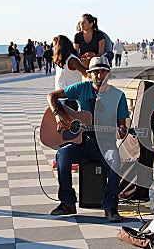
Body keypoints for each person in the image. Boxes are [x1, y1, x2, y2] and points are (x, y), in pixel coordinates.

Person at [47, 56, 129, 223]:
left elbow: (122, 128)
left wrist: (122, 132)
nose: (100, 76)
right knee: (63, 155)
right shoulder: (81, 88)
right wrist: (57, 115)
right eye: (96, 72)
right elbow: (52, 96)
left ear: (109, 74)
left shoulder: (118, 96)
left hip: (105, 144)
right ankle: (67, 202)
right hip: (82, 144)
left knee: (115, 160)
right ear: (90, 74)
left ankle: (110, 206)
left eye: (103, 72)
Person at [53, 35, 88, 110]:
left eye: (55, 45)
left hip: (69, 98)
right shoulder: (62, 60)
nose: (53, 48)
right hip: (60, 96)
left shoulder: (72, 59)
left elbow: (85, 72)